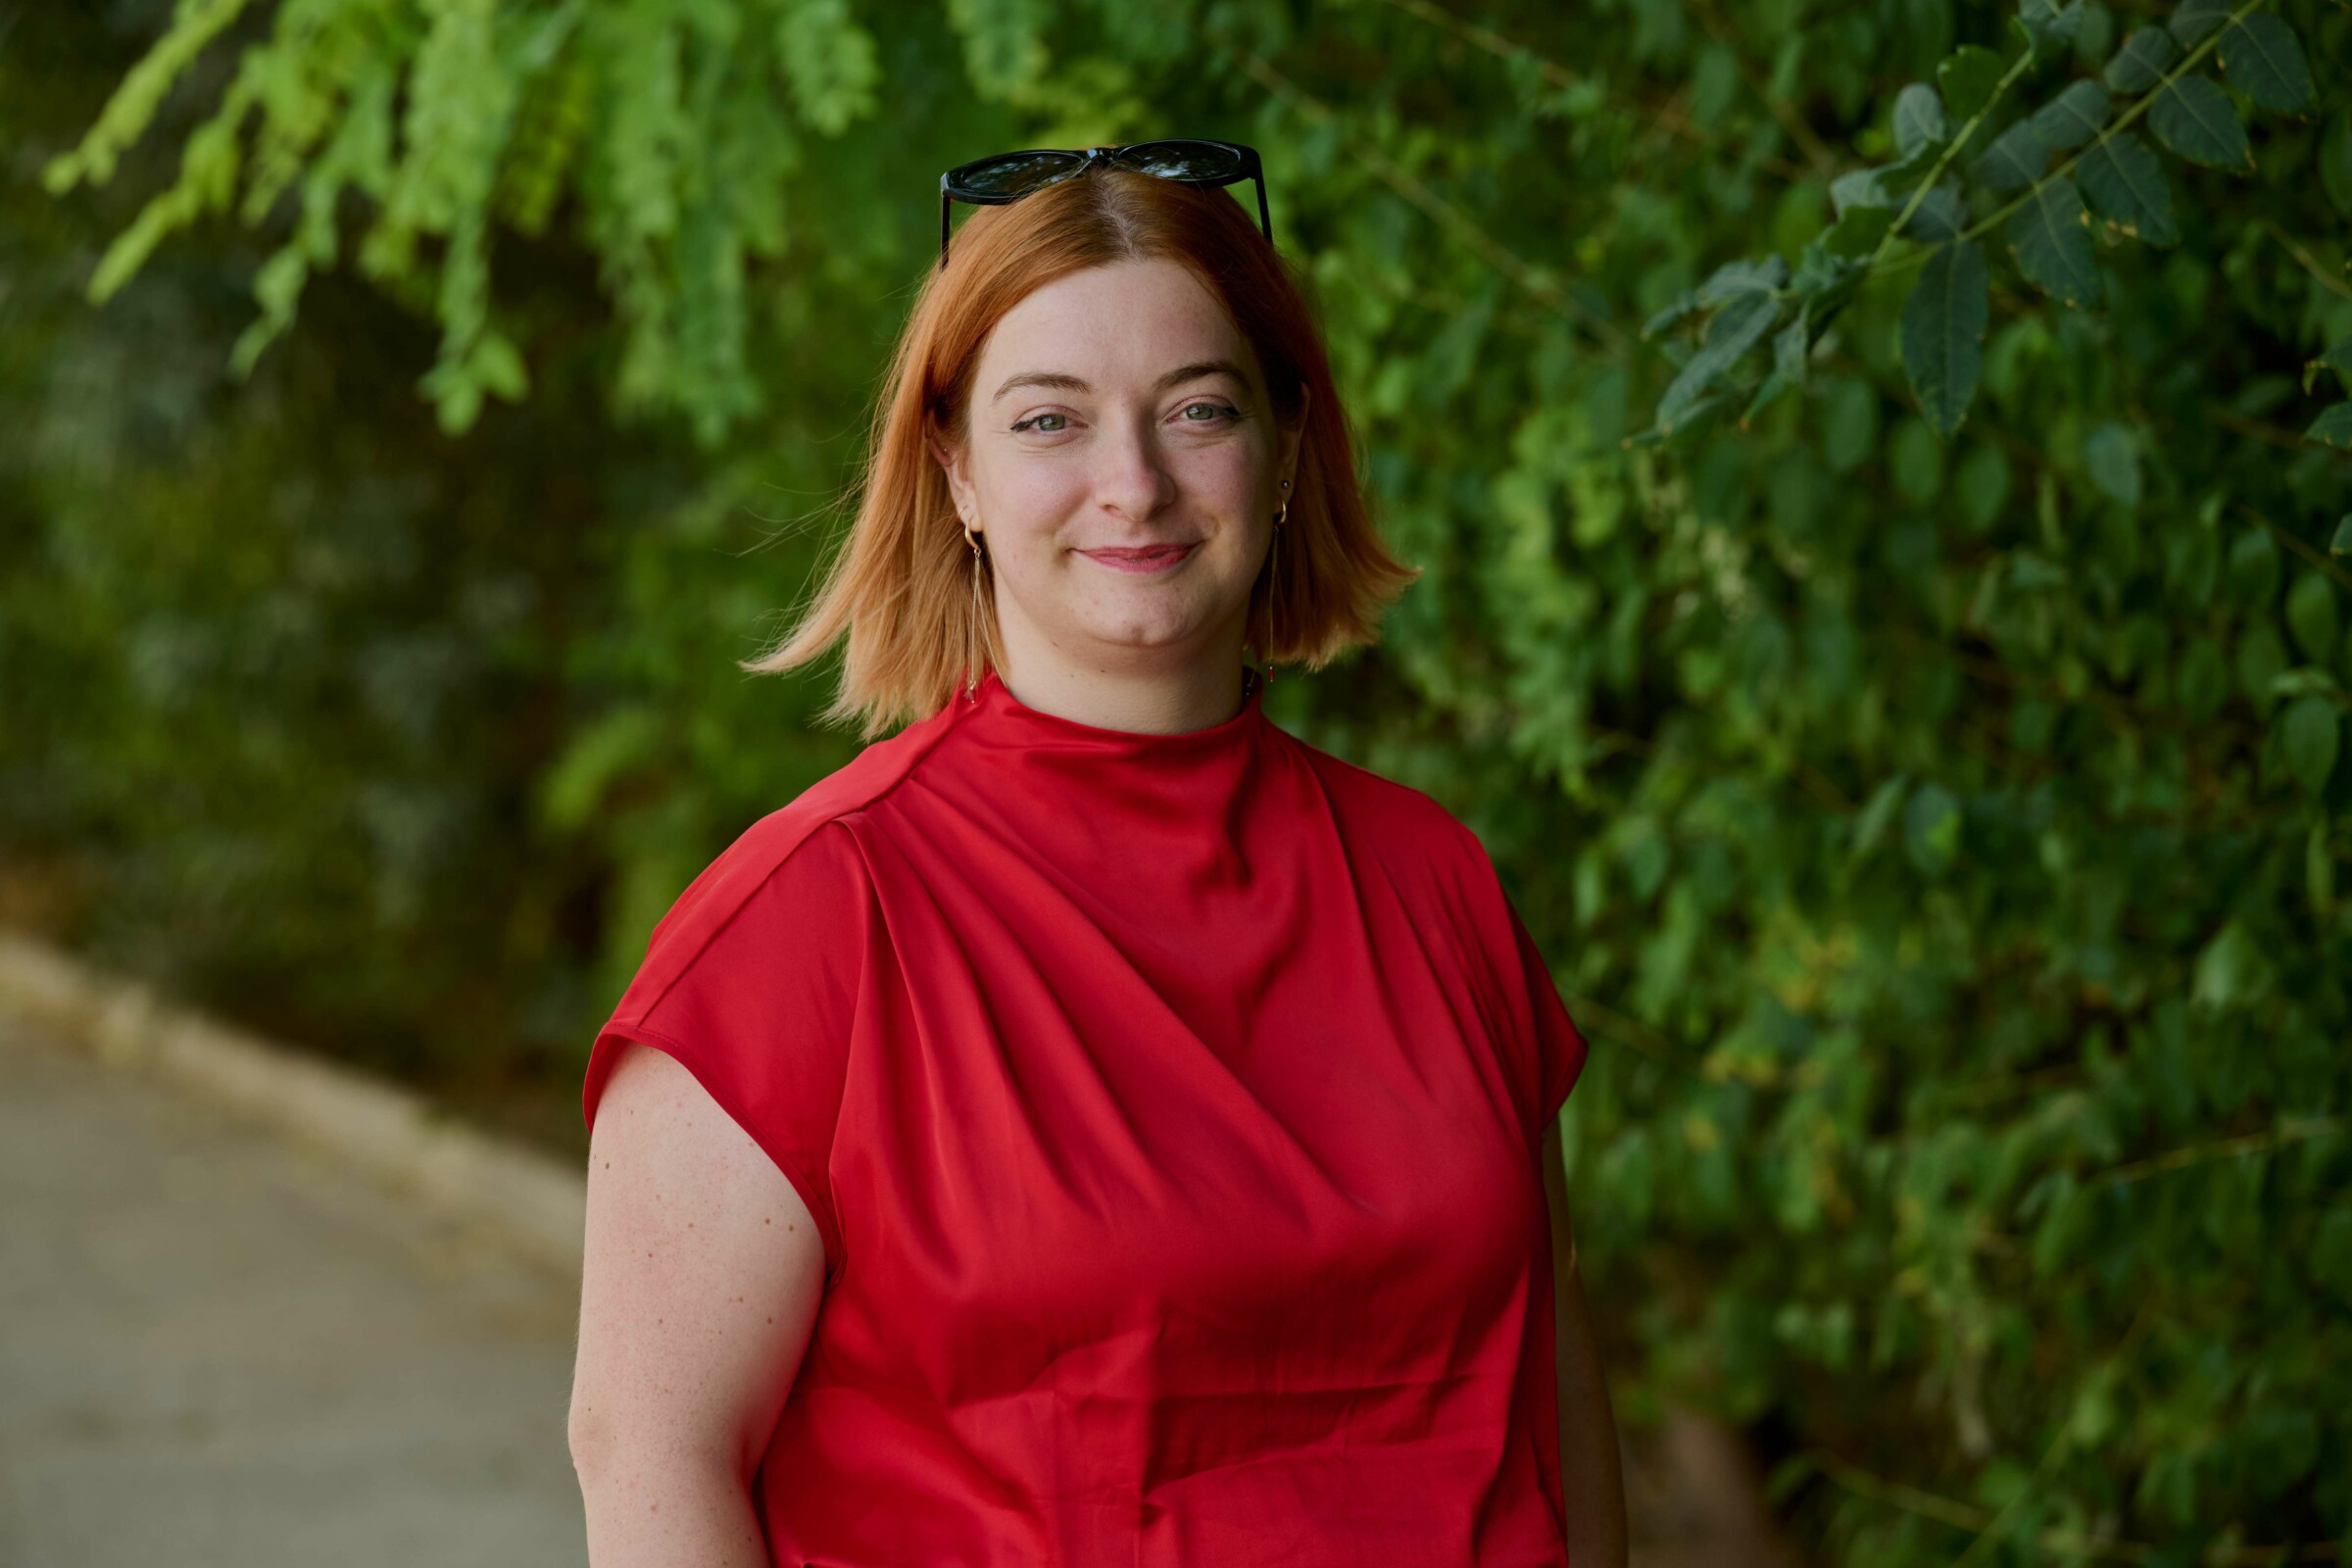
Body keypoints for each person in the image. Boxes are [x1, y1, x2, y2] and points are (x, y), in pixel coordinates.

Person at [565, 139, 1627, 1568]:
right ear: (955, 474)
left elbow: (1554, 1386)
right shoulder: (807, 929)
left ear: (1286, 446)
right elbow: (648, 1457)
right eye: (1050, 421)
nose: (1133, 484)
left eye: (1195, 410)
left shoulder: (1437, 885)